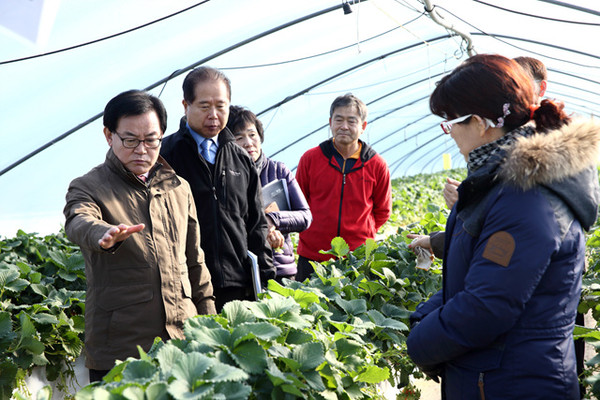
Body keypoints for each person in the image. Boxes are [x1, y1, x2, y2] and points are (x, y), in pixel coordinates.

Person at [406, 54, 600, 399]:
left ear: (481, 123)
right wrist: (422, 316)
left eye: (451, 122)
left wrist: (419, 342)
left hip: (514, 382)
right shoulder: (497, 181)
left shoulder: (525, 196)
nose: (448, 133)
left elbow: (486, 306)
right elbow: (478, 274)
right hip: (494, 375)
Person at [64, 90, 216, 382]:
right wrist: (103, 232)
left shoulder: (178, 188)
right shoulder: (89, 186)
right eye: (130, 140)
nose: (142, 150)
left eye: (151, 140)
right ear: (109, 136)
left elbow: (195, 261)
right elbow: (78, 218)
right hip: (121, 348)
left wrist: (210, 324)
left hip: (182, 340)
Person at [160, 66, 275, 312]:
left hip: (236, 284)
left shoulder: (241, 159)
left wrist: (266, 279)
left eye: (221, 106)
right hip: (185, 286)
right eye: (204, 106)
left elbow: (256, 224)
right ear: (185, 105)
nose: (214, 115)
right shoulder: (165, 156)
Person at [295, 93, 392, 281]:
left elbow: (383, 211)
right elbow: (299, 203)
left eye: (351, 121)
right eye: (339, 120)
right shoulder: (311, 159)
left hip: (356, 259)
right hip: (314, 256)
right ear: (331, 122)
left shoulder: (376, 164)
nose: (344, 126)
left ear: (363, 126)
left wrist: (361, 234)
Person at [227, 105, 312, 282]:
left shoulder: (278, 170)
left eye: (252, 135)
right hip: (242, 270)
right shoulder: (226, 176)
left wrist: (273, 220)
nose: (248, 143)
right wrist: (261, 229)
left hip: (280, 267)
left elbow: (305, 216)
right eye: (239, 138)